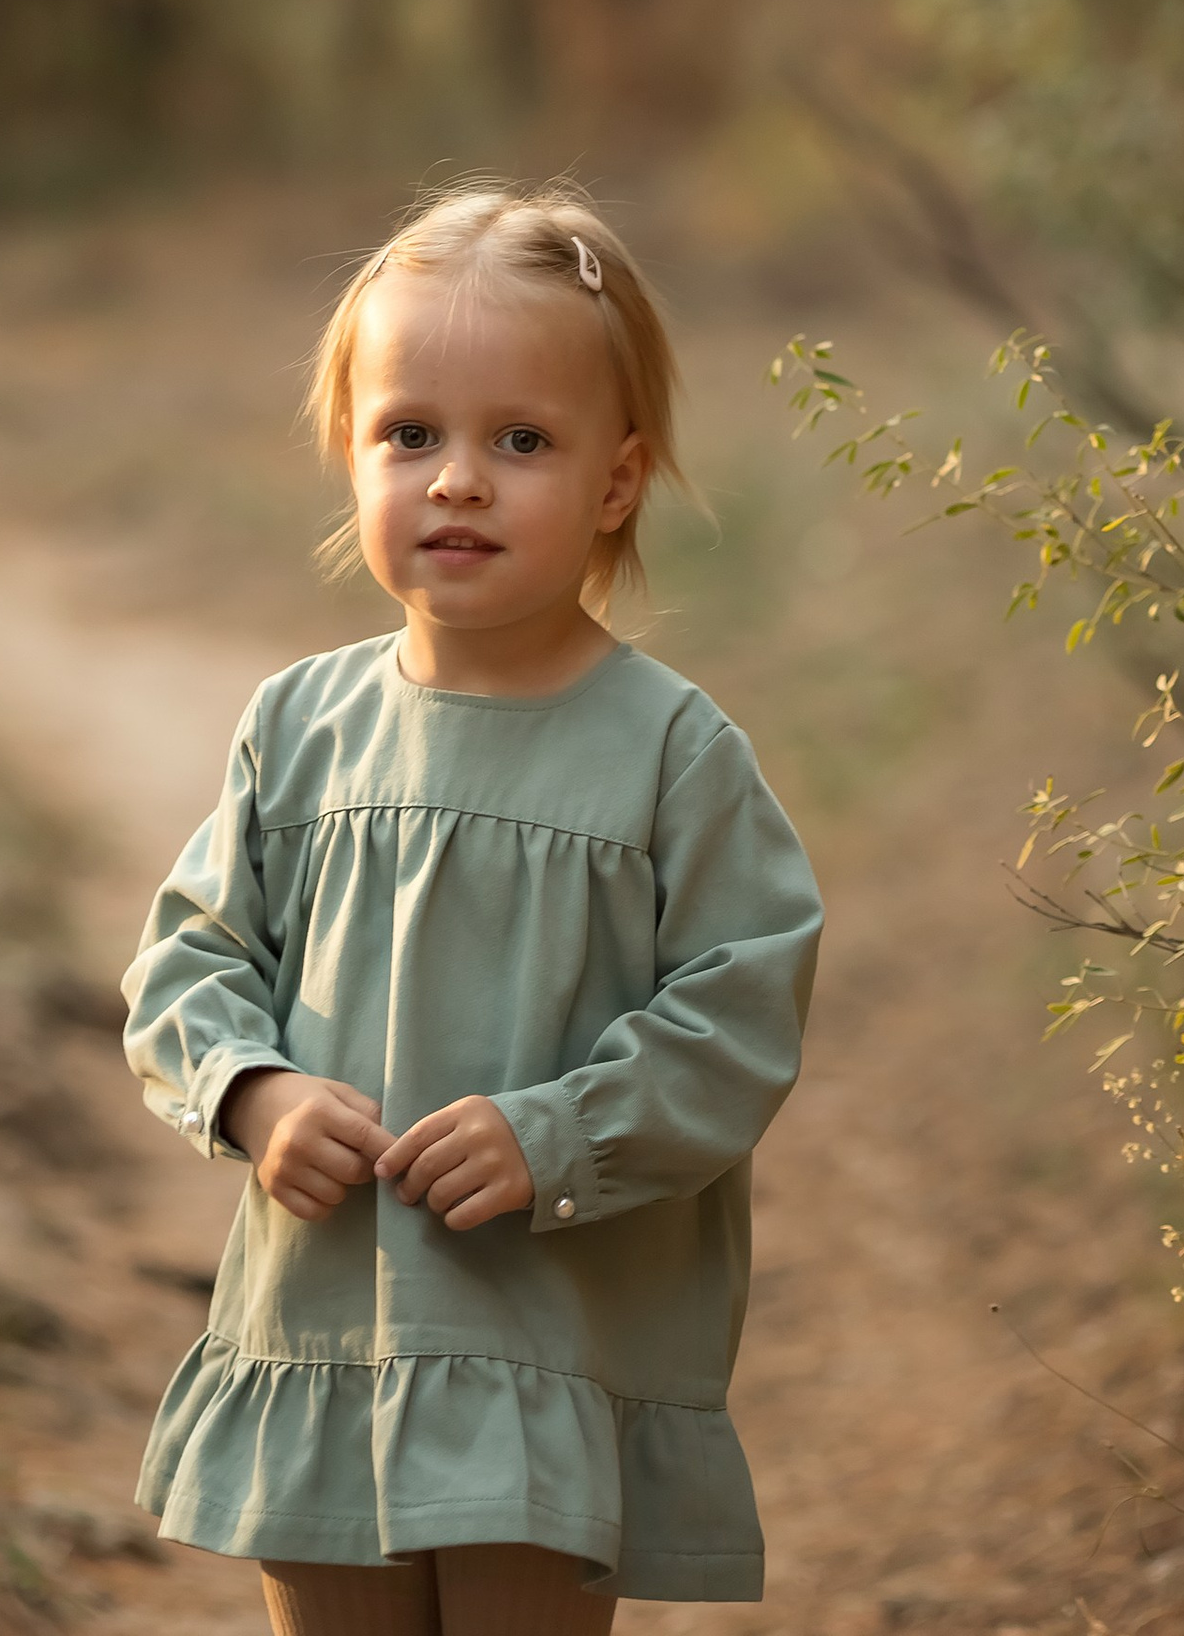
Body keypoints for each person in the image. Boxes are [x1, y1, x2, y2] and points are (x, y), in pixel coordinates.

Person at [122, 183, 824, 1636]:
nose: (457, 480)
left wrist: (558, 1132)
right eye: (410, 434)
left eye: (521, 440)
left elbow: (740, 1009)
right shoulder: (300, 727)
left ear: (617, 484)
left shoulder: (671, 752)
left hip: (544, 1339)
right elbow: (190, 956)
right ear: (353, 457)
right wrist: (250, 1093)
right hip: (323, 1328)